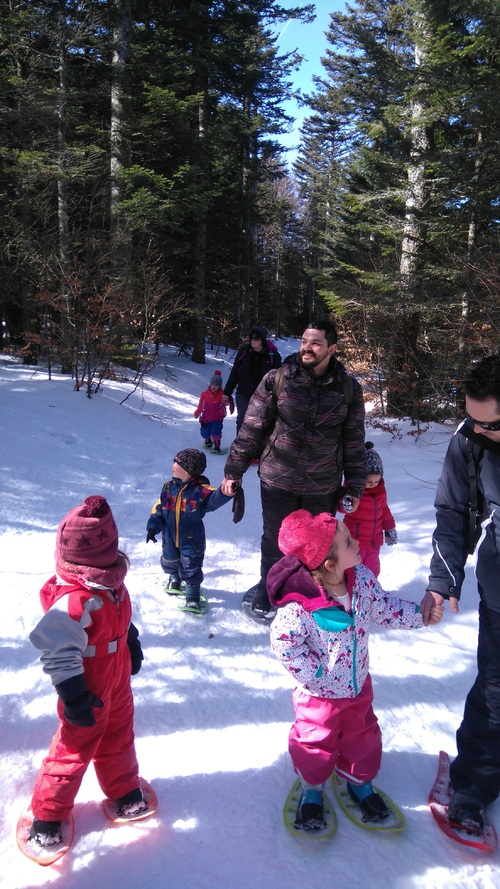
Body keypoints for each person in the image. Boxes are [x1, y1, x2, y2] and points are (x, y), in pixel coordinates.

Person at [268, 509, 443, 831]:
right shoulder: (301, 605)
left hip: (357, 684)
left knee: (362, 736)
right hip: (318, 695)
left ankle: (358, 780)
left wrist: (420, 616)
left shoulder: (360, 579)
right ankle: (312, 789)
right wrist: (315, 675)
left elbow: (384, 607)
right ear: (330, 565)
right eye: (347, 541)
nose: (356, 542)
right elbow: (284, 642)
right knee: (315, 741)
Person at [221, 319, 366, 619]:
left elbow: (353, 440)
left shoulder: (348, 390)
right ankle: (269, 589)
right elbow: (252, 428)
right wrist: (233, 470)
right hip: (277, 480)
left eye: (315, 343)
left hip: (322, 485)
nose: (307, 348)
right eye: (304, 341)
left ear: (332, 349)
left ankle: (311, 596)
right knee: (275, 540)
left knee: (319, 548)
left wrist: (355, 486)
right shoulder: (279, 379)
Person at [28, 495, 146, 848]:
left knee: (119, 736)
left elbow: (121, 619)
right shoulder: (74, 599)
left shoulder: (110, 583)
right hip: (86, 686)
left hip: (118, 679)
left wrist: (131, 641)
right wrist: (73, 694)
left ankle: (123, 789)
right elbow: (56, 649)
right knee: (74, 746)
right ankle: (48, 813)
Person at [421, 353, 500, 835]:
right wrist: (444, 578)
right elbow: (452, 510)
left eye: (490, 424)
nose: (477, 430)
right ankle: (473, 785)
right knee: (495, 688)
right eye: (471, 419)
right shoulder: (469, 438)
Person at [146, 448, 236, 612]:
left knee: (191, 566)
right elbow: (159, 509)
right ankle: (174, 578)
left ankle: (192, 595)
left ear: (188, 470)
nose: (173, 465)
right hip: (169, 535)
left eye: (177, 463)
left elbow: (214, 501)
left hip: (191, 538)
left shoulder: (201, 491)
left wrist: (226, 492)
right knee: (169, 559)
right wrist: (153, 527)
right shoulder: (168, 488)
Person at [338, 441, 398, 577]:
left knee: (372, 567)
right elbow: (341, 508)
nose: (373, 485)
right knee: (353, 568)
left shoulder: (380, 491)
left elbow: (385, 510)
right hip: (355, 540)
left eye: (376, 481)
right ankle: (352, 589)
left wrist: (390, 528)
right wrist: (346, 505)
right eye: (369, 482)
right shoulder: (353, 491)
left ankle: (371, 589)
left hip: (374, 541)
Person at [223, 326, 282, 433]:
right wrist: (226, 393)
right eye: (251, 338)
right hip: (244, 393)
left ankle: (257, 448)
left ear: (263, 340)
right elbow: (235, 373)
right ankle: (240, 447)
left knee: (261, 423)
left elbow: (278, 379)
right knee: (242, 421)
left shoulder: (273, 356)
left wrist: (278, 398)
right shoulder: (244, 352)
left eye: (256, 338)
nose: (253, 340)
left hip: (263, 396)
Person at [194, 369, 230, 454]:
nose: (214, 386)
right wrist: (198, 412)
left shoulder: (222, 395)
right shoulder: (204, 394)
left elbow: (227, 403)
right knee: (205, 432)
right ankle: (208, 441)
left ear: (220, 386)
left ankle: (217, 447)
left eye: (216, 385)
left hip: (217, 419)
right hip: (206, 418)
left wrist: (227, 401)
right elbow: (200, 405)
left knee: (216, 433)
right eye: (212, 384)